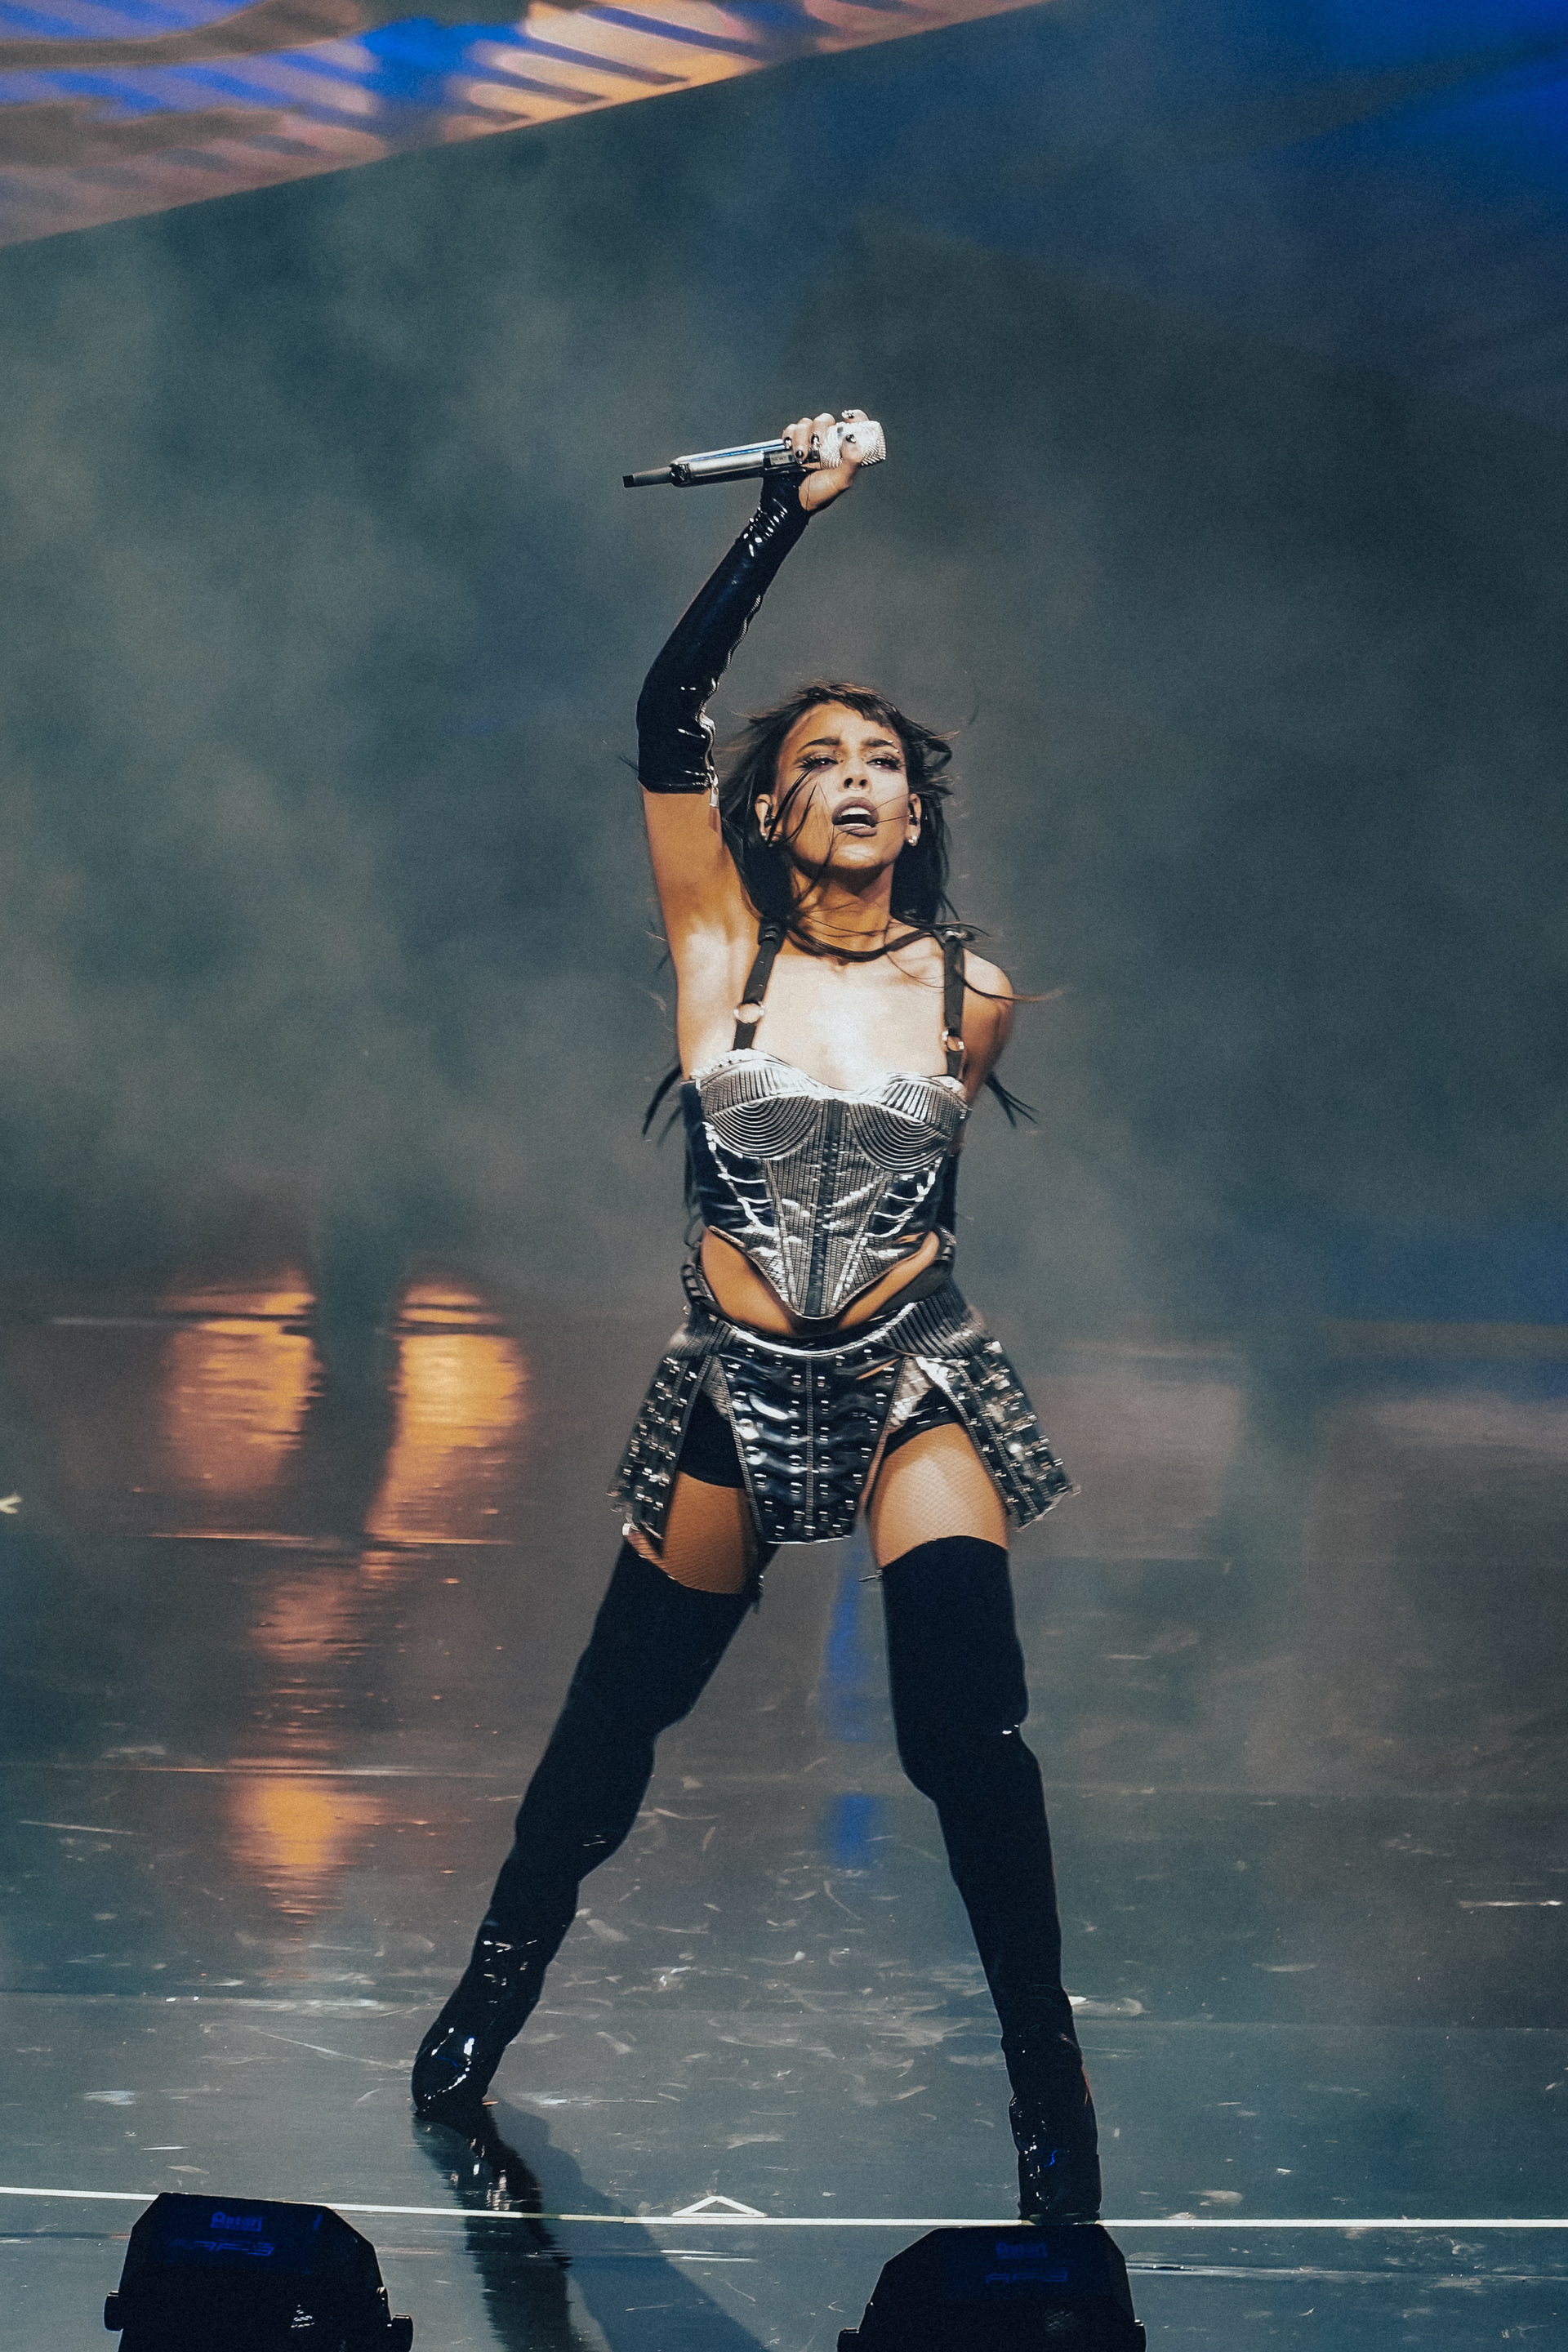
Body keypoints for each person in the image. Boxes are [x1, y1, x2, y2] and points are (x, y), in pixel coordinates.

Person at [412, 409, 1100, 2223]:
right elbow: (664, 715)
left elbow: (916, 1197)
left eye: (884, 762)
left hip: (914, 1373)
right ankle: (482, 2011)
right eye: (821, 761)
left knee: (963, 1735)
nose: (859, 780)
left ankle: (1049, 2088)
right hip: (731, 1379)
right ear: (775, 807)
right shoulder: (724, 951)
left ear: (916, 810)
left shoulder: (970, 993)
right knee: (610, 1732)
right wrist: (786, 514)